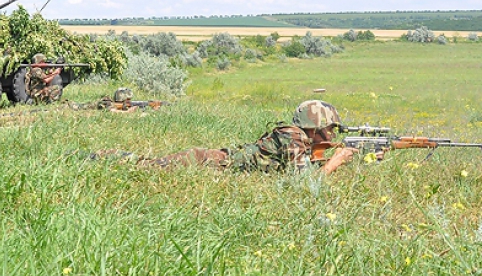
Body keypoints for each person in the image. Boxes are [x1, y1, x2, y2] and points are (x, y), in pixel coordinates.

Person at [96, 100, 358, 174]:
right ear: (315, 127)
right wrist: (335, 162)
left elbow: (301, 167)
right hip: (207, 161)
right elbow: (303, 185)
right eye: (330, 128)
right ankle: (100, 157)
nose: (332, 133)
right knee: (148, 165)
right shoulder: (293, 137)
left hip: (215, 160)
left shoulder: (300, 138)